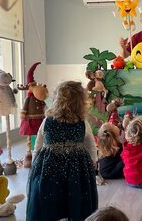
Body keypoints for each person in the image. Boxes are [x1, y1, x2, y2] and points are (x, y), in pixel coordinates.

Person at [26, 81, 98, 221]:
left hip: (50, 165)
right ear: (81, 102)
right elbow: (91, 144)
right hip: (76, 166)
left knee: (50, 195)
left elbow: (38, 144)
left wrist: (35, 162)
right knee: (74, 195)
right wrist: (93, 161)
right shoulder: (82, 122)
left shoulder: (48, 120)